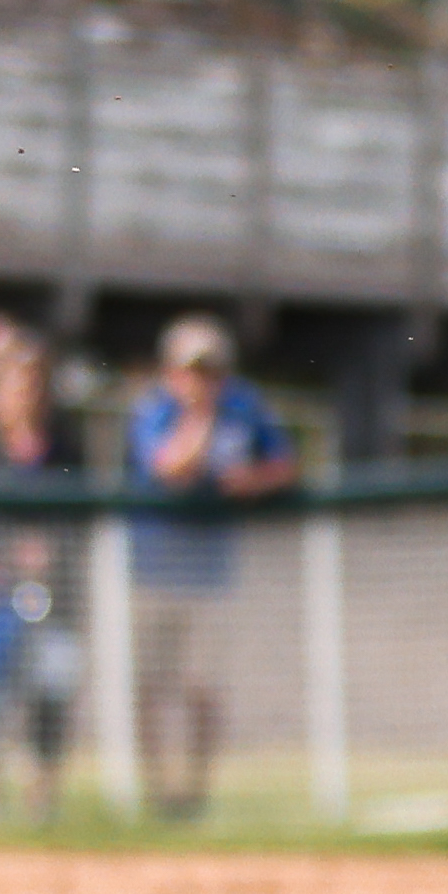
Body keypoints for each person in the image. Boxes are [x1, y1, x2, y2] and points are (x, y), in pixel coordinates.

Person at [120, 315, 293, 819]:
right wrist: (199, 416)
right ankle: (157, 797)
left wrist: (253, 480)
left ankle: (195, 797)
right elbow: (170, 468)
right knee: (151, 685)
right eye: (193, 369)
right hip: (154, 569)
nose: (203, 380)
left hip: (210, 573)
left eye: (212, 369)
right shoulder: (154, 410)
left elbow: (284, 463)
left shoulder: (245, 406)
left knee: (202, 686)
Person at [0, 316, 91, 824]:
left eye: (33, 380)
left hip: (55, 592)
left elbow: (82, 510)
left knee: (50, 694)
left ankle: (42, 803)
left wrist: (49, 547)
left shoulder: (64, 441)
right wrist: (9, 548)